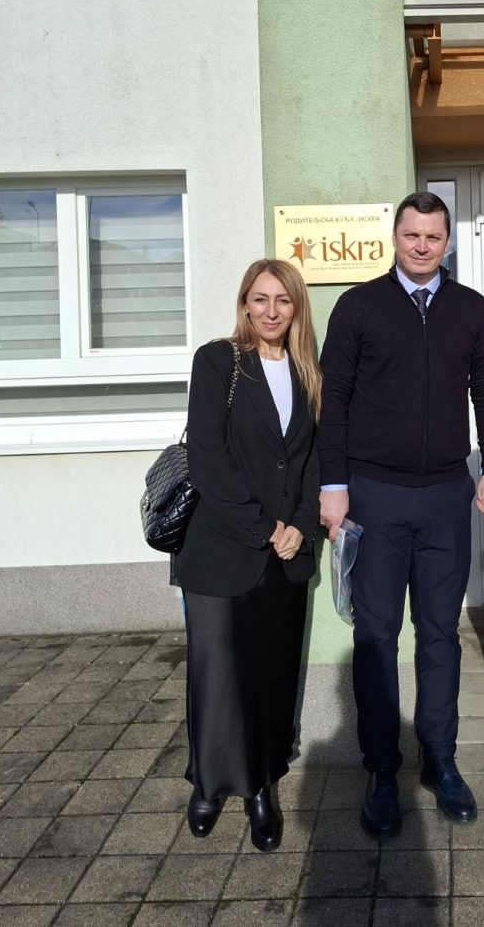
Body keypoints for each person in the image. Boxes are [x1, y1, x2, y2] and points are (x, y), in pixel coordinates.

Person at [318, 191, 484, 839]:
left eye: (433, 236)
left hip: (446, 497)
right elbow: (334, 399)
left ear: (447, 241)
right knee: (376, 636)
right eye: (412, 234)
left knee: (439, 635)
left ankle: (441, 760)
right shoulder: (358, 306)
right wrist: (334, 485)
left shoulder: (469, 308)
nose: (422, 245)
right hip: (374, 494)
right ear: (394, 237)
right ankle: (380, 771)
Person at [174, 259, 320, 851]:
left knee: (271, 673)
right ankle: (209, 784)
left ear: (296, 307)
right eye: (260, 299)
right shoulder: (218, 362)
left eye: (282, 300)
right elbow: (207, 457)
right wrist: (264, 527)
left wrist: (301, 527)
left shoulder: (309, 372)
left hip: (286, 555)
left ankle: (261, 785)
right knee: (215, 674)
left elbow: (313, 461)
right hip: (222, 549)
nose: (270, 311)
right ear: (244, 304)